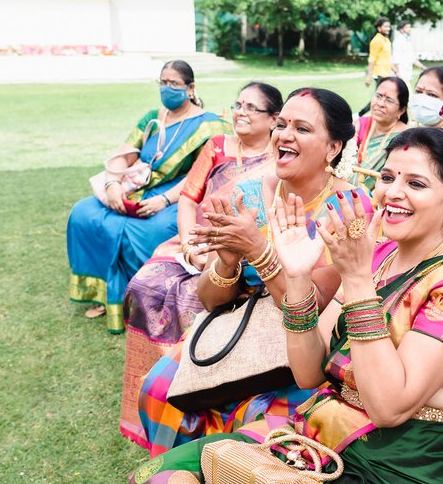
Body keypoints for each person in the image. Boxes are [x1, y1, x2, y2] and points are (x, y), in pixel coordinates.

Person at [105, 127, 443, 484]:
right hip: (326, 442)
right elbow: (309, 373)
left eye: (416, 183)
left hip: (411, 478)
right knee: (158, 479)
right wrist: (297, 276)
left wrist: (355, 280)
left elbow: (389, 407)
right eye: (388, 176)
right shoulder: (378, 257)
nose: (393, 193)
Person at [138, 88, 372, 457]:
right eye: (281, 125)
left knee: (256, 414)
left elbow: (310, 309)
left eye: (302, 128)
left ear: (332, 148)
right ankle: (176, 482)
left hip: (300, 351)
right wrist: (228, 260)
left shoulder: (348, 209)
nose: (285, 135)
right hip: (238, 327)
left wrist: (258, 251)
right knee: (159, 385)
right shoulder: (248, 191)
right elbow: (211, 299)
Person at [119, 82, 282, 447]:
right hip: (192, 241)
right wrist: (192, 242)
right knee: (144, 285)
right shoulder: (217, 146)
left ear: (274, 119)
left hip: (237, 252)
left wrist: (220, 252)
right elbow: (190, 201)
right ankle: (149, 397)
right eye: (237, 104)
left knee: (197, 302)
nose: (240, 112)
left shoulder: (280, 160)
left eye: (251, 108)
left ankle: (195, 404)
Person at [67, 60, 227, 333]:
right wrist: (112, 186)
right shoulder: (153, 118)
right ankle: (106, 296)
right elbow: (124, 154)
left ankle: (145, 302)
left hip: (177, 195)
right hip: (138, 187)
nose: (166, 88)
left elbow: (202, 174)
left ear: (190, 88)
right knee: (83, 214)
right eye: (162, 82)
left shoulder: (209, 126)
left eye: (173, 83)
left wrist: (164, 200)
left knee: (146, 229)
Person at [354, 76, 409, 190]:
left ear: (401, 110)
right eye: (378, 96)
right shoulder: (358, 125)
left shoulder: (406, 138)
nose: (380, 103)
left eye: (389, 100)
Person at [358, 17, 394, 117]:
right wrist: (369, 76)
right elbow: (372, 59)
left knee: (383, 97)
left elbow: (387, 58)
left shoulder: (386, 40)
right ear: (379, 28)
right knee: (380, 98)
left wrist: (396, 71)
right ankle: (360, 115)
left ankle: (366, 114)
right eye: (386, 26)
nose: (388, 28)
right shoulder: (377, 40)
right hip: (380, 74)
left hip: (387, 73)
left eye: (389, 26)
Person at [389, 20, 425, 87]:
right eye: (407, 27)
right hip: (400, 74)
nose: (409, 29)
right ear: (401, 30)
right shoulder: (398, 41)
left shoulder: (407, 41)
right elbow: (395, 58)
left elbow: (412, 58)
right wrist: (397, 72)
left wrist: (423, 67)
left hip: (407, 73)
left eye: (410, 27)